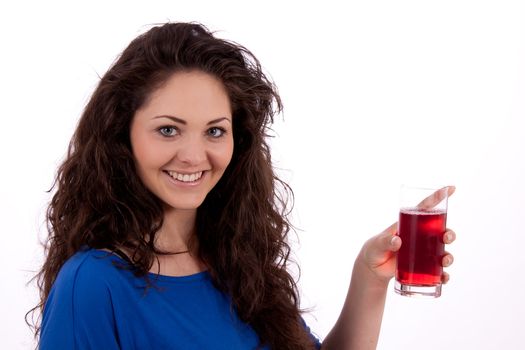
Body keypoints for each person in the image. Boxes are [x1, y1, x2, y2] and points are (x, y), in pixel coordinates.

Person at [30, 22, 456, 349]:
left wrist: (370, 278)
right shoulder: (93, 284)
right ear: (122, 135)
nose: (195, 156)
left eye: (214, 132)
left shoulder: (237, 262)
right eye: (168, 130)